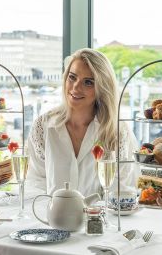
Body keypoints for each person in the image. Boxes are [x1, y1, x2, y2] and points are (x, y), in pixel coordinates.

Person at [26, 48, 138, 196]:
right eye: (72, 77)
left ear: (102, 88)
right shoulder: (43, 126)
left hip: (101, 218)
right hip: (53, 217)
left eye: (88, 82)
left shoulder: (116, 131)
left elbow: (123, 190)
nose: (76, 87)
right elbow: (35, 183)